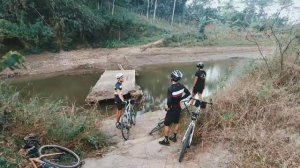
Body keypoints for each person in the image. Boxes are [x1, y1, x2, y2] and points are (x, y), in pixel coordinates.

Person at [159, 70, 191, 146]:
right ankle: (174, 137)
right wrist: (181, 99)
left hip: (172, 109)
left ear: (172, 78)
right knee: (176, 122)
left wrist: (168, 108)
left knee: (166, 124)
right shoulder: (182, 86)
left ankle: (166, 141)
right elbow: (188, 94)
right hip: (178, 108)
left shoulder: (170, 89)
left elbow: (169, 101)